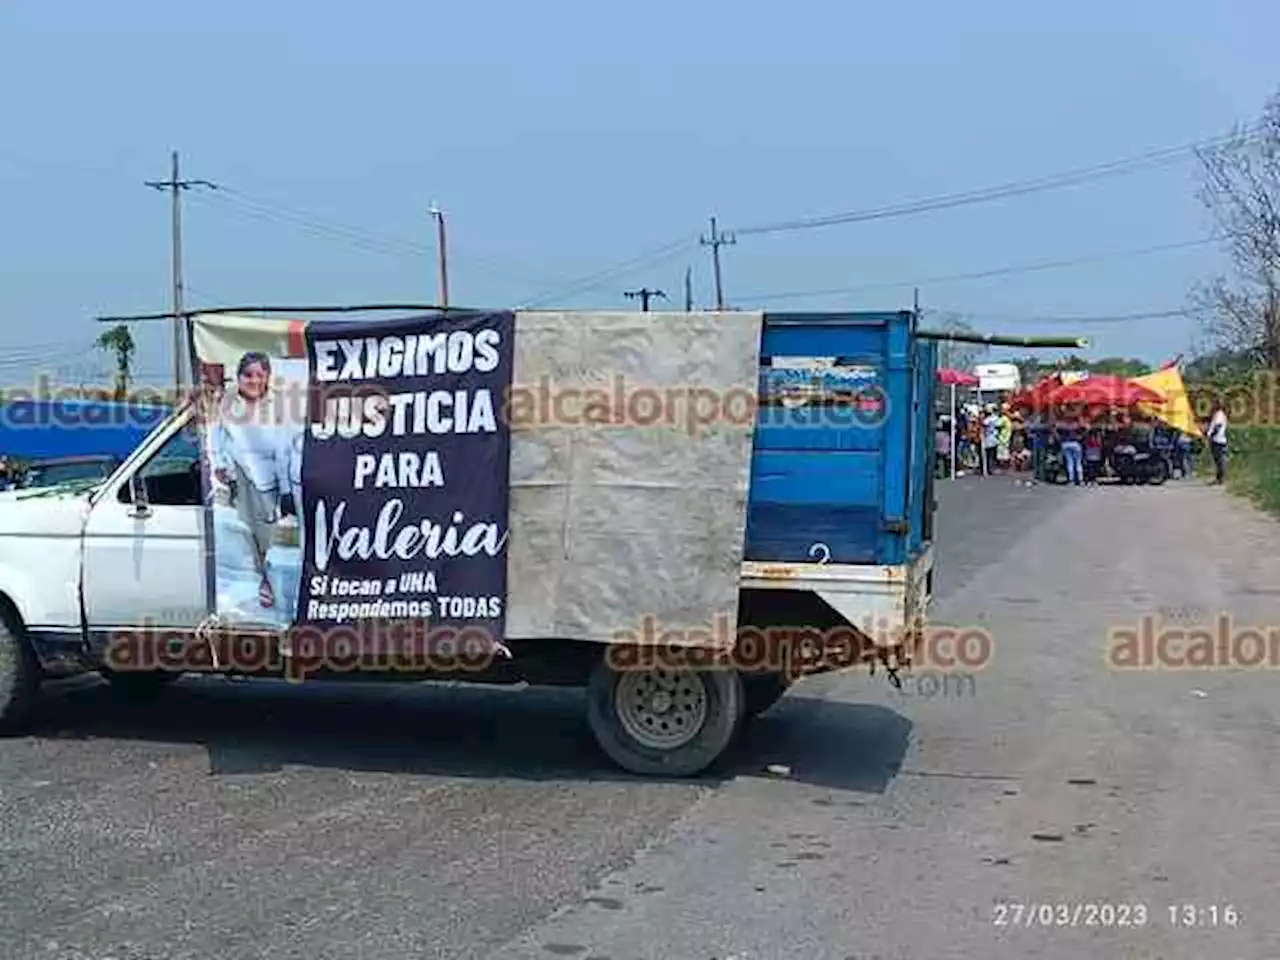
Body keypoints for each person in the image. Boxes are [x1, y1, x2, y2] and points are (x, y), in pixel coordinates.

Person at [210, 352, 296, 609]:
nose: (254, 380)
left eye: (260, 375)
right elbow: (217, 441)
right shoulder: (227, 405)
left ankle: (270, 589)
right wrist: (221, 467)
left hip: (271, 482)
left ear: (267, 377)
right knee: (245, 537)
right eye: (248, 375)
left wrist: (287, 488)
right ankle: (254, 591)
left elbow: (285, 447)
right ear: (239, 377)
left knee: (273, 539)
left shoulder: (278, 406)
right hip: (241, 481)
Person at [1207, 400, 1228, 484]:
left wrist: (1211, 436)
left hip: (1217, 440)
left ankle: (1220, 478)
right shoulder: (1218, 414)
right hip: (1217, 439)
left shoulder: (1219, 414)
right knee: (1217, 460)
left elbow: (1217, 426)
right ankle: (1219, 477)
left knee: (1219, 460)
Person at [1058, 417, 1083, 486]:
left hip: (1066, 444)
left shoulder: (1062, 424)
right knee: (1078, 462)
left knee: (1070, 462)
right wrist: (1081, 436)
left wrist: (1058, 438)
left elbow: (1053, 427)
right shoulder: (1076, 425)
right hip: (1075, 443)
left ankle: (1071, 480)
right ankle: (1080, 479)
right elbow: (1085, 428)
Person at [981, 404, 1000, 475]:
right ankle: (989, 468)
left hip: (990, 437)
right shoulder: (996, 418)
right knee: (991, 454)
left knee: (989, 454)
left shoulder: (989, 419)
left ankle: (990, 468)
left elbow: (984, 424)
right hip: (992, 437)